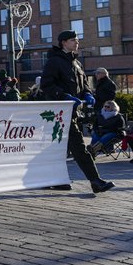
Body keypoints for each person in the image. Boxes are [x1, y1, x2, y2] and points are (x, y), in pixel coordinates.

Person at [38, 30, 114, 194]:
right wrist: (64, 96)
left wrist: (87, 93)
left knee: (56, 149)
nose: (76, 42)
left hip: (74, 112)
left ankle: (56, 179)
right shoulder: (54, 62)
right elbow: (46, 85)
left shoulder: (76, 63)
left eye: (77, 40)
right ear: (63, 42)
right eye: (73, 40)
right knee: (79, 147)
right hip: (59, 113)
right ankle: (95, 181)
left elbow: (84, 84)